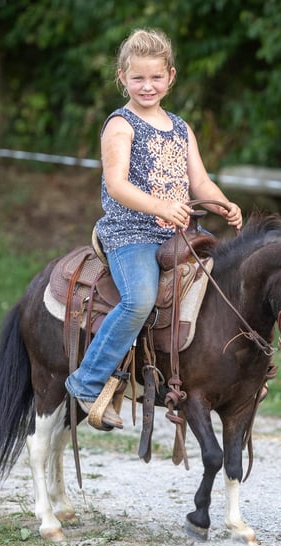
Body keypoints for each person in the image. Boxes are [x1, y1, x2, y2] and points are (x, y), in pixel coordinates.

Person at [65, 28, 243, 430]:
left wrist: (222, 203)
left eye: (156, 77)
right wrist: (162, 206)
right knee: (140, 299)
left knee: (228, 288)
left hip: (180, 233)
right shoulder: (120, 125)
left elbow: (199, 182)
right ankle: (88, 380)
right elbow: (117, 185)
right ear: (122, 78)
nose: (148, 86)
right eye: (138, 78)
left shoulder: (180, 128)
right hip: (132, 233)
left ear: (171, 77)